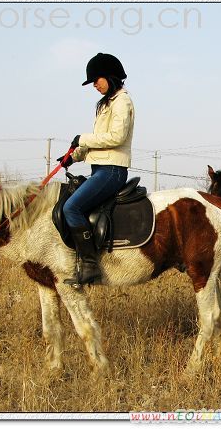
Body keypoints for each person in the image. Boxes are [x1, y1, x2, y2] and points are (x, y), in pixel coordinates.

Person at [56, 53, 134, 286]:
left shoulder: (123, 101)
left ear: (111, 77)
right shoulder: (105, 105)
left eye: (97, 79)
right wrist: (73, 157)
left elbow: (116, 137)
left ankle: (90, 266)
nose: (94, 85)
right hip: (100, 168)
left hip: (113, 170)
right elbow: (97, 143)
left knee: (71, 208)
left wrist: (82, 139)